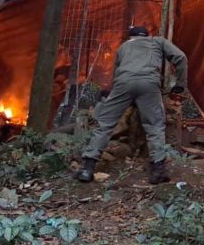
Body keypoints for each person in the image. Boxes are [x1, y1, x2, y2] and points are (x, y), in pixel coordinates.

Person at [75, 26, 187, 184]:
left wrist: (119, 95)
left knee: (105, 125)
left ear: (131, 37)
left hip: (123, 83)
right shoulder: (158, 41)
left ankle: (87, 168)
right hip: (149, 83)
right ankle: (158, 170)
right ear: (147, 36)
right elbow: (180, 57)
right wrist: (180, 84)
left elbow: (116, 73)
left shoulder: (123, 47)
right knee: (154, 126)